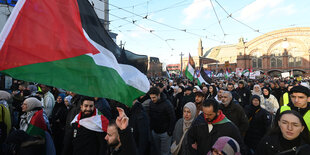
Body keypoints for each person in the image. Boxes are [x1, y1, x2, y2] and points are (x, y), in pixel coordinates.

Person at [148, 87, 176, 155]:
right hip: (155, 132)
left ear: (159, 95)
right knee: (157, 151)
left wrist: (169, 132)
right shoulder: (151, 103)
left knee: (165, 153)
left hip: (165, 134)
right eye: (151, 97)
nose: (152, 99)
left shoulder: (167, 104)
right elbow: (151, 117)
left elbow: (173, 118)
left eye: (154, 97)